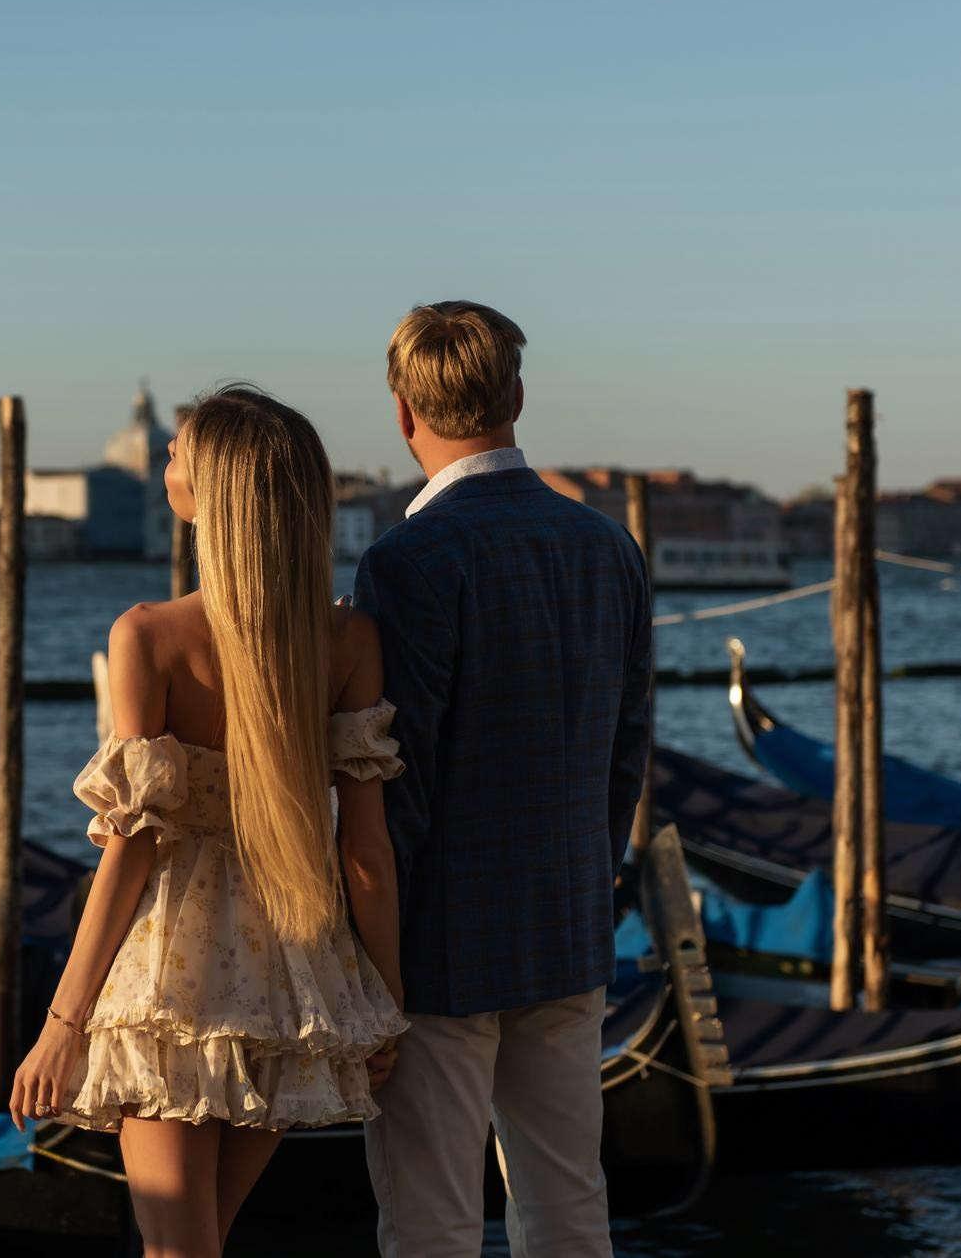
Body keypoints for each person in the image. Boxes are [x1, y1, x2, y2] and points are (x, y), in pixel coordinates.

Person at [8, 385, 409, 1258]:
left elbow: (133, 846)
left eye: (178, 451)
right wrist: (383, 1003)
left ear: (214, 490)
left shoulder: (147, 635)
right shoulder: (347, 643)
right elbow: (365, 849)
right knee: (199, 1244)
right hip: (291, 972)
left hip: (171, 982)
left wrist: (60, 1026)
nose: (165, 462)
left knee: (177, 1250)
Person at [355, 301, 653, 1258]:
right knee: (569, 1198)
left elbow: (400, 780)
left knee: (430, 1213)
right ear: (517, 395)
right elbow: (627, 750)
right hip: (569, 922)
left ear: (403, 412)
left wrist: (372, 958)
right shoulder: (609, 547)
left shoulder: (405, 562)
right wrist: (589, 871)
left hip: (441, 944)